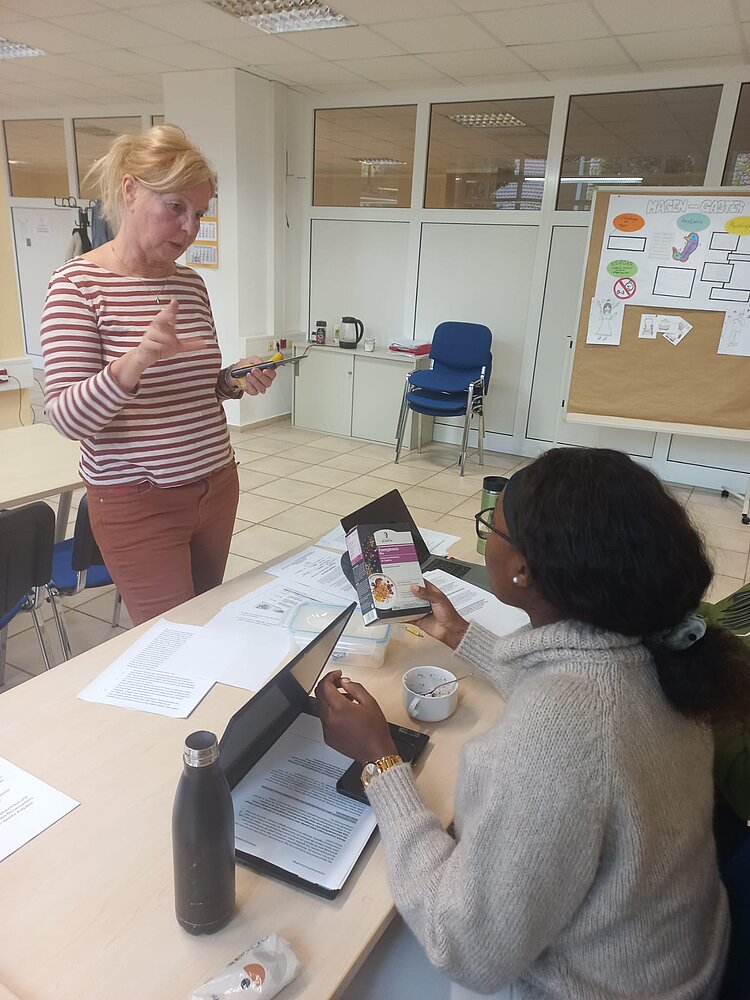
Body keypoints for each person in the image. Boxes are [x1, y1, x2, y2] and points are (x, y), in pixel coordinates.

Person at [316, 447, 750, 1000]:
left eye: (490, 529)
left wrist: (379, 759)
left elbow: (464, 946)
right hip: (664, 954)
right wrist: (459, 635)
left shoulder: (555, 741)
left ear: (522, 569)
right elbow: (584, 687)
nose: (487, 541)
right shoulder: (657, 651)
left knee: (354, 947)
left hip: (598, 986)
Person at [40, 124, 276, 626]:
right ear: (130, 190)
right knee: (176, 637)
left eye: (199, 214)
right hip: (138, 499)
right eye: (176, 208)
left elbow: (200, 386)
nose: (190, 228)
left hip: (216, 483)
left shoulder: (189, 284)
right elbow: (65, 417)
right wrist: (137, 358)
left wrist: (233, 379)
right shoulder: (76, 286)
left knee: (206, 619)